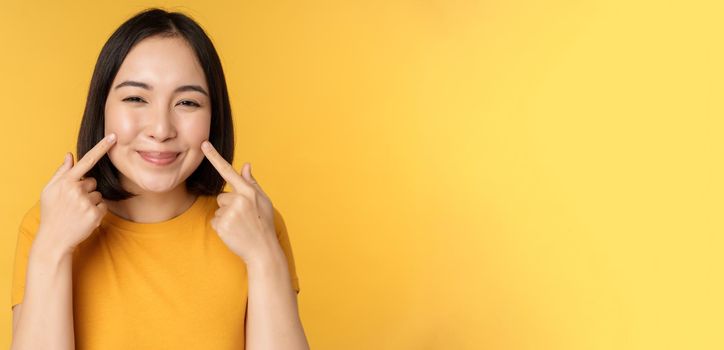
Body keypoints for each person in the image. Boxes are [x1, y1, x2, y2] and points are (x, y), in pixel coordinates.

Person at [10, 8, 310, 350]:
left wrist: (263, 256)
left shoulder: (256, 223)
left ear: (215, 116)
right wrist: (52, 248)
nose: (161, 129)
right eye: (136, 98)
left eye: (187, 102)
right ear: (102, 108)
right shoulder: (46, 223)